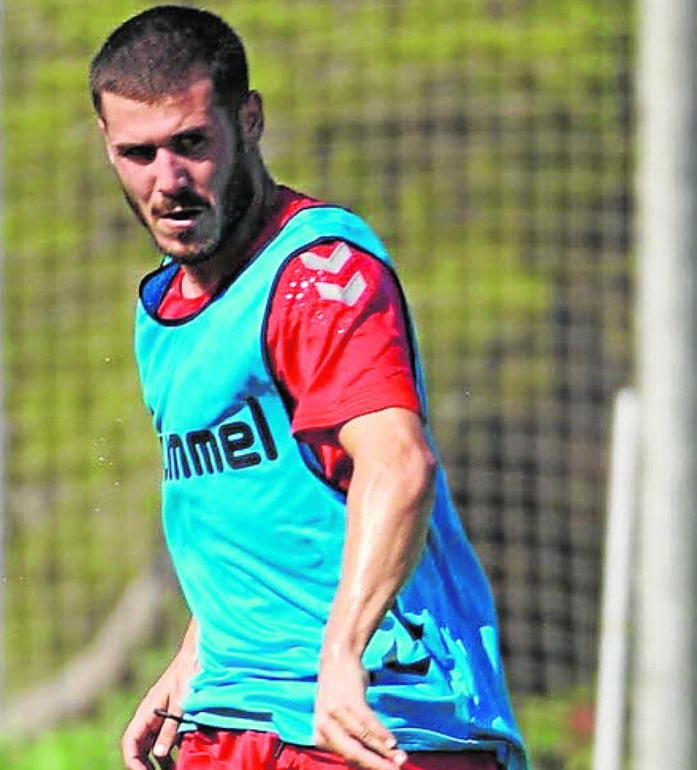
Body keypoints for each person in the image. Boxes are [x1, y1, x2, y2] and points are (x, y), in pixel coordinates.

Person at [89, 7, 526, 770]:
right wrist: (199, 650)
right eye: (139, 153)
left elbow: (398, 466)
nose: (169, 181)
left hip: (376, 716)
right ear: (107, 146)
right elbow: (262, 509)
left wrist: (342, 657)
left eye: (192, 143)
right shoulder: (163, 309)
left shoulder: (319, 277)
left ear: (248, 120)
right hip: (233, 712)